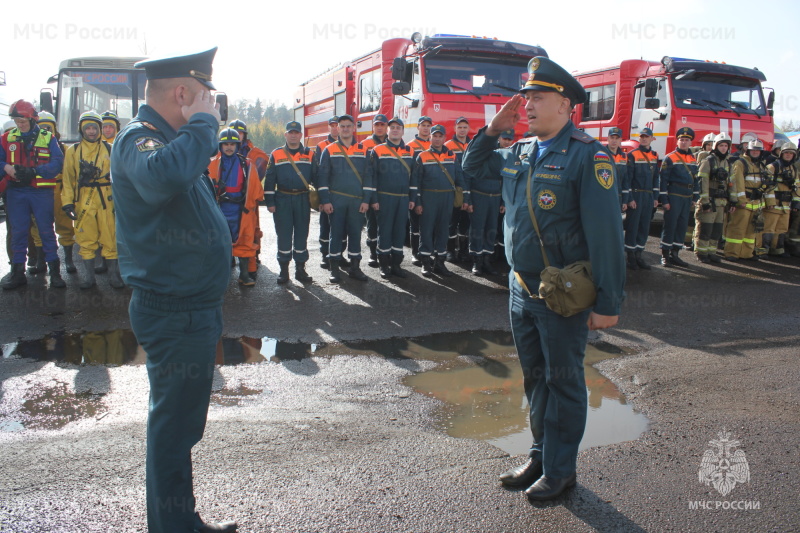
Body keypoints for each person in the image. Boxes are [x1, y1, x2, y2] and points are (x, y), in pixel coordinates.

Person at [462, 56, 625, 501]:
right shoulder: (519, 152)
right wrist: (494, 128)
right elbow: (471, 167)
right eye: (526, 98)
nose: (527, 106)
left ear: (566, 105)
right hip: (519, 289)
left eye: (538, 98)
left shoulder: (588, 158)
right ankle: (539, 455)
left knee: (563, 379)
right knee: (535, 378)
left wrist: (609, 303)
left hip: (561, 295)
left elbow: (607, 235)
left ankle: (560, 469)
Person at [110, 47, 238, 533]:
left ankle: (180, 523)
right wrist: (204, 125)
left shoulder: (170, 139)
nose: (213, 104)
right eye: (206, 94)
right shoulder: (138, 141)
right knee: (172, 430)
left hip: (193, 307)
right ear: (183, 92)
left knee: (181, 428)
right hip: (174, 309)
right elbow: (164, 177)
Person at [0, 99, 65, 290]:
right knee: (19, 232)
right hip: (16, 192)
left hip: (41, 192)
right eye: (17, 121)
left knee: (46, 231)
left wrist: (35, 172)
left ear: (32, 119)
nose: (19, 125)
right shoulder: (6, 138)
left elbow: (57, 163)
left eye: (23, 121)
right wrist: (6, 168)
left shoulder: (48, 137)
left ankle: (55, 274)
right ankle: (18, 273)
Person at [61, 111, 122, 289]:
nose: (91, 132)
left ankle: (114, 276)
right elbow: (68, 179)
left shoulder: (110, 149)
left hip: (106, 199)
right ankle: (88, 278)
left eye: (94, 128)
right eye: (88, 128)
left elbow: (121, 176)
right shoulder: (73, 151)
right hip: (84, 199)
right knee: (85, 238)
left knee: (110, 237)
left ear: (100, 129)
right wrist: (67, 202)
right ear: (82, 130)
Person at [317, 114, 374, 283]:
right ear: (338, 129)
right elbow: (322, 178)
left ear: (354, 128)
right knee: (336, 234)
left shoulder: (364, 150)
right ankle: (334, 269)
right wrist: (325, 200)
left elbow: (368, 177)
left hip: (357, 201)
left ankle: (355, 268)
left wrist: (366, 200)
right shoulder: (329, 150)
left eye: (349, 126)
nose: (346, 129)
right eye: (342, 126)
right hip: (336, 200)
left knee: (356, 234)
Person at [208, 128, 264, 286]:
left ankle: (244, 275)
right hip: (219, 210)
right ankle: (221, 277)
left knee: (244, 241)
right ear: (220, 146)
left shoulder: (247, 164)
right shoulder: (212, 165)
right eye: (225, 144)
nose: (229, 147)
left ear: (238, 146)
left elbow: (255, 190)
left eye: (232, 144)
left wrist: (250, 207)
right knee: (219, 243)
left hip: (241, 210)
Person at [413, 124, 470, 278]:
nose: (437, 139)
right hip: (428, 198)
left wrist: (466, 198)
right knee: (426, 230)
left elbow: (460, 178)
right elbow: (416, 182)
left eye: (440, 136)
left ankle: (440, 263)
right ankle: (425, 262)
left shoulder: (451, 155)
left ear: (445, 138)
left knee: (443, 231)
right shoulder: (422, 156)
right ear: (430, 137)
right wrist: (417, 202)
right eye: (435, 136)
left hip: (447, 198)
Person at [264, 121, 316, 283]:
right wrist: (270, 202)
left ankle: (300, 270)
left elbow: (318, 178)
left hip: (302, 199)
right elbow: (269, 181)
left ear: (301, 135)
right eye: (290, 132)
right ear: (285, 135)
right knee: (284, 235)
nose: (293, 135)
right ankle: (284, 270)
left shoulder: (310, 154)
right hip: (282, 200)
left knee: (302, 234)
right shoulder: (276, 154)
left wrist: (322, 199)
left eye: (296, 132)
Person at [370, 116, 415, 278]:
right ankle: (384, 265)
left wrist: (412, 198)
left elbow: (414, 178)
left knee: (399, 232)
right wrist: (374, 199)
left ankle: (396, 264)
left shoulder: (410, 151)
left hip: (403, 198)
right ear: (387, 131)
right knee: (385, 231)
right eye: (392, 127)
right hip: (384, 198)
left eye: (398, 127)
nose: (395, 130)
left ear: (403, 131)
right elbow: (372, 177)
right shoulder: (378, 150)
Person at [33, 111, 76, 274]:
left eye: (48, 127)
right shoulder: (32, 148)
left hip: (59, 189)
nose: (45, 130)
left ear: (54, 129)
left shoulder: (64, 149)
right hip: (39, 190)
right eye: (41, 127)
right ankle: (40, 261)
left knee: (64, 225)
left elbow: (69, 174)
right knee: (38, 226)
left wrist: (69, 196)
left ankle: (69, 260)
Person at [658, 127, 699, 267]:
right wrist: (664, 200)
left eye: (687, 140)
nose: (684, 142)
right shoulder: (670, 158)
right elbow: (662, 181)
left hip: (687, 197)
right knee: (670, 225)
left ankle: (675, 254)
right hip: (674, 195)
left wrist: (695, 197)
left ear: (690, 143)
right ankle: (665, 256)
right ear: (677, 141)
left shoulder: (693, 159)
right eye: (682, 140)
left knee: (681, 226)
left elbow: (697, 179)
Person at [724, 139, 769, 261]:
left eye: (758, 150)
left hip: (756, 203)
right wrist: (741, 200)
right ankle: (732, 253)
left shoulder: (760, 164)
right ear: (748, 150)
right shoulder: (740, 163)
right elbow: (737, 183)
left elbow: (765, 181)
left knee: (751, 231)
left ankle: (746, 254)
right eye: (753, 150)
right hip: (744, 202)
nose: (755, 152)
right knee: (737, 228)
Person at [624, 127, 659, 270]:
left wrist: (656, 197)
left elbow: (656, 178)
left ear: (652, 138)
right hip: (637, 195)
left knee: (644, 226)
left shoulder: (655, 155)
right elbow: (628, 179)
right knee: (633, 226)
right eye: (642, 136)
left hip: (648, 195)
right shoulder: (632, 155)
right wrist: (630, 198)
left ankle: (639, 254)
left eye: (647, 136)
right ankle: (630, 256)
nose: (644, 139)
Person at [694, 133, 732, 263]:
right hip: (710, 201)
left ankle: (711, 252)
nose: (723, 148)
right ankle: (701, 253)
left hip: (721, 202)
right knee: (705, 228)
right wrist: (705, 202)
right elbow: (702, 182)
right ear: (716, 146)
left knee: (716, 230)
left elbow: (731, 183)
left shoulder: (727, 163)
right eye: (721, 145)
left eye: (726, 145)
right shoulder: (708, 161)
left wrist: (732, 201)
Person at [314, 116, 346, 269]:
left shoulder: (349, 145)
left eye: (337, 125)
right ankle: (325, 255)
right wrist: (322, 198)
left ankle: (340, 254)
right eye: (332, 125)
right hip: (328, 194)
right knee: (326, 226)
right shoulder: (322, 146)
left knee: (343, 227)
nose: (335, 128)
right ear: (329, 128)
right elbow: (319, 173)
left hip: (343, 194)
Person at [360, 114, 389, 267]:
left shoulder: (394, 142)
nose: (379, 127)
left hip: (387, 190)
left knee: (386, 223)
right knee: (372, 222)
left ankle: (385, 251)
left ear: (386, 127)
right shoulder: (365, 143)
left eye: (382, 125)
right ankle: (372, 253)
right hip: (371, 188)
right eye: (377, 125)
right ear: (373, 126)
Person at [445, 116, 472, 263]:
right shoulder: (448, 146)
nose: (462, 130)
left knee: (465, 222)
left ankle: (463, 251)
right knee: (452, 221)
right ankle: (450, 251)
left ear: (468, 129)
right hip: (454, 189)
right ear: (455, 129)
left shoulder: (472, 145)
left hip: (469, 188)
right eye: (459, 127)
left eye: (465, 127)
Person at [763, 142, 798, 257]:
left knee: (781, 229)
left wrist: (796, 203)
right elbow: (767, 186)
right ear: (781, 154)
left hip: (786, 205)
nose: (788, 155)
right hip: (774, 204)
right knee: (768, 228)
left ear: (794, 155)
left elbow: (797, 187)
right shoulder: (772, 167)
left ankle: (777, 250)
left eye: (791, 153)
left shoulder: (794, 170)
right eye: (786, 153)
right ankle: (763, 251)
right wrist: (770, 202)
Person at [408, 116, 433, 265]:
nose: (425, 128)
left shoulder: (434, 144)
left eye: (428, 125)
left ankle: (427, 252)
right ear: (418, 127)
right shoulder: (410, 146)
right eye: (423, 125)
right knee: (415, 224)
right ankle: (415, 253)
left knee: (428, 223)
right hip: (415, 188)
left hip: (429, 190)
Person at [605, 127, 627, 218]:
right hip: (604, 196)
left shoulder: (624, 157)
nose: (614, 141)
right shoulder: (601, 154)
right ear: (608, 139)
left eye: (617, 138)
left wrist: (625, 200)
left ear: (620, 140)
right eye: (612, 138)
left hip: (618, 197)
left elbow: (626, 180)